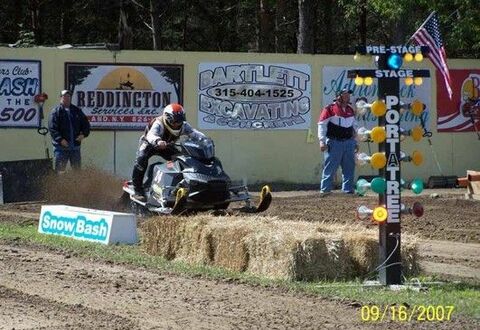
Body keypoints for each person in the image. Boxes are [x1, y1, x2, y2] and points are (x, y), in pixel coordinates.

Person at [131, 103, 206, 201]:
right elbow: (151, 135)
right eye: (175, 121)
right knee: (141, 160)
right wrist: (158, 141)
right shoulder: (159, 123)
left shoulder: (184, 126)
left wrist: (204, 139)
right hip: (150, 144)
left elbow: (194, 133)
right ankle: (138, 190)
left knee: (182, 160)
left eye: (179, 121)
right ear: (168, 118)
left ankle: (179, 186)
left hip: (167, 146)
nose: (177, 124)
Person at [317, 88, 358, 196]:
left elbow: (354, 127)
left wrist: (356, 142)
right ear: (338, 96)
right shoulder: (330, 108)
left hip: (349, 142)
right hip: (334, 142)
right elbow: (321, 124)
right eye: (345, 94)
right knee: (330, 167)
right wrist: (321, 141)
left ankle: (348, 190)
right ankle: (325, 190)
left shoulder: (350, 109)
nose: (347, 96)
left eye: (348, 95)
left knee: (349, 167)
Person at [48, 89, 91, 173]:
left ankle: (77, 186)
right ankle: (59, 186)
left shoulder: (77, 111)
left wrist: (84, 134)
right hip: (60, 149)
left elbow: (86, 124)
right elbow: (52, 128)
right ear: (61, 98)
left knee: (77, 172)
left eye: (69, 96)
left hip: (75, 148)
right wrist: (60, 139)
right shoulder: (55, 112)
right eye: (65, 96)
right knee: (59, 172)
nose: (67, 98)